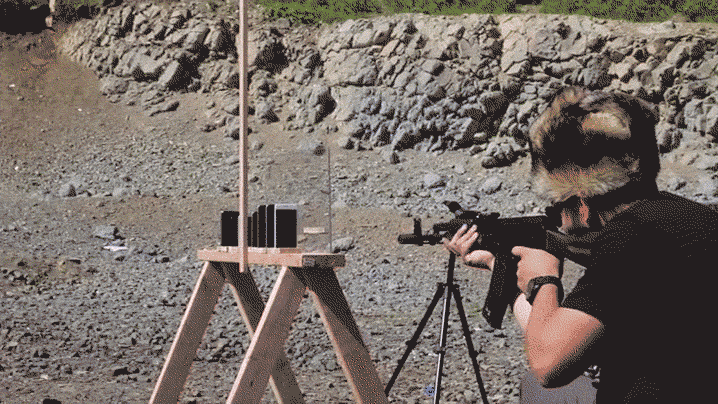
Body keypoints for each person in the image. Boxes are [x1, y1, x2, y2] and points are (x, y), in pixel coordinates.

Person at [444, 86, 717, 403]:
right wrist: (497, 265)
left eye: (555, 207)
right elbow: (564, 335)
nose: (558, 221)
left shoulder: (630, 237)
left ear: (580, 200)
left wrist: (544, 279)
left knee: (537, 390)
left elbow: (548, 365)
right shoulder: (692, 217)